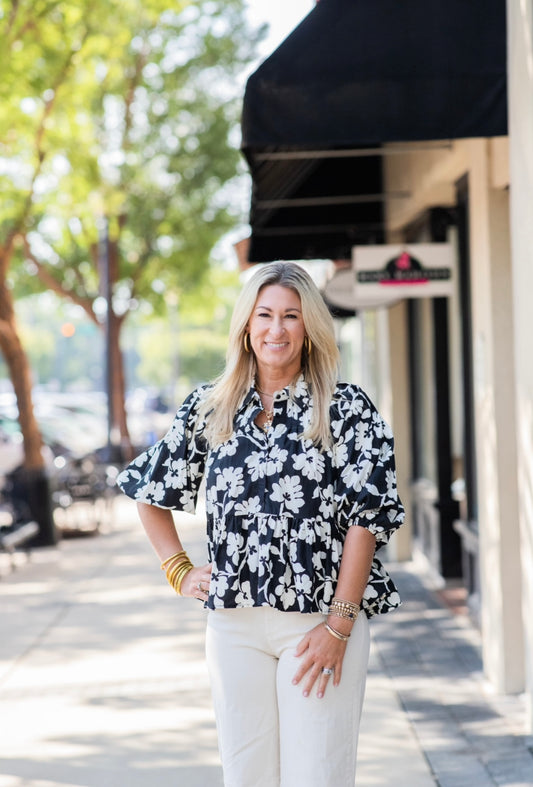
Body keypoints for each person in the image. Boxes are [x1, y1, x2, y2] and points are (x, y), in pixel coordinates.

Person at [117, 261, 405, 787]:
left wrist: (339, 625)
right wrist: (178, 570)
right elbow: (149, 490)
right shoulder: (211, 406)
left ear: (309, 327)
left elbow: (369, 518)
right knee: (246, 776)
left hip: (319, 622)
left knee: (316, 776)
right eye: (265, 314)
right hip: (234, 627)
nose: (277, 329)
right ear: (246, 325)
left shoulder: (345, 409)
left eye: (291, 316)